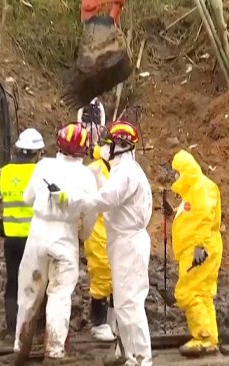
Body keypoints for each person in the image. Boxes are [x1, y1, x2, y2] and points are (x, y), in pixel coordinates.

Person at [55, 121, 153, 365]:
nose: (103, 148)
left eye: (108, 143)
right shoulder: (122, 171)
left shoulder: (128, 172)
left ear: (121, 146)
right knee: (122, 303)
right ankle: (131, 355)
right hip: (122, 242)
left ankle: (142, 358)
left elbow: (104, 199)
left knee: (130, 303)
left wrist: (72, 200)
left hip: (129, 243)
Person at [14, 122, 98, 363]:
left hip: (38, 231)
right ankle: (54, 351)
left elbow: (27, 197)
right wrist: (85, 235)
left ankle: (21, 347)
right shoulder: (86, 175)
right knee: (60, 295)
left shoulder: (43, 166)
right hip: (66, 235)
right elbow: (91, 211)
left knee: (29, 292)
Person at [162, 150, 222, 357]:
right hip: (198, 248)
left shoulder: (201, 188)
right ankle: (210, 337)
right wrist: (172, 213)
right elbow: (191, 216)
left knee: (188, 291)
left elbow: (205, 217)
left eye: (177, 173)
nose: (176, 178)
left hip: (199, 250)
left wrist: (199, 246)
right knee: (202, 292)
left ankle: (202, 337)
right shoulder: (194, 190)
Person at [0, 128, 45, 342]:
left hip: (12, 238)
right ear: (38, 152)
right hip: (35, 238)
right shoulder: (41, 174)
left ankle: (12, 327)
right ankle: (39, 328)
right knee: (39, 283)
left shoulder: (2, 173)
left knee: (13, 281)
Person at [83, 144, 116, 343]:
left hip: (113, 233)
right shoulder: (93, 171)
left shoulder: (116, 169)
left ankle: (112, 321)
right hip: (98, 232)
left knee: (116, 279)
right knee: (102, 277)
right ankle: (99, 323)